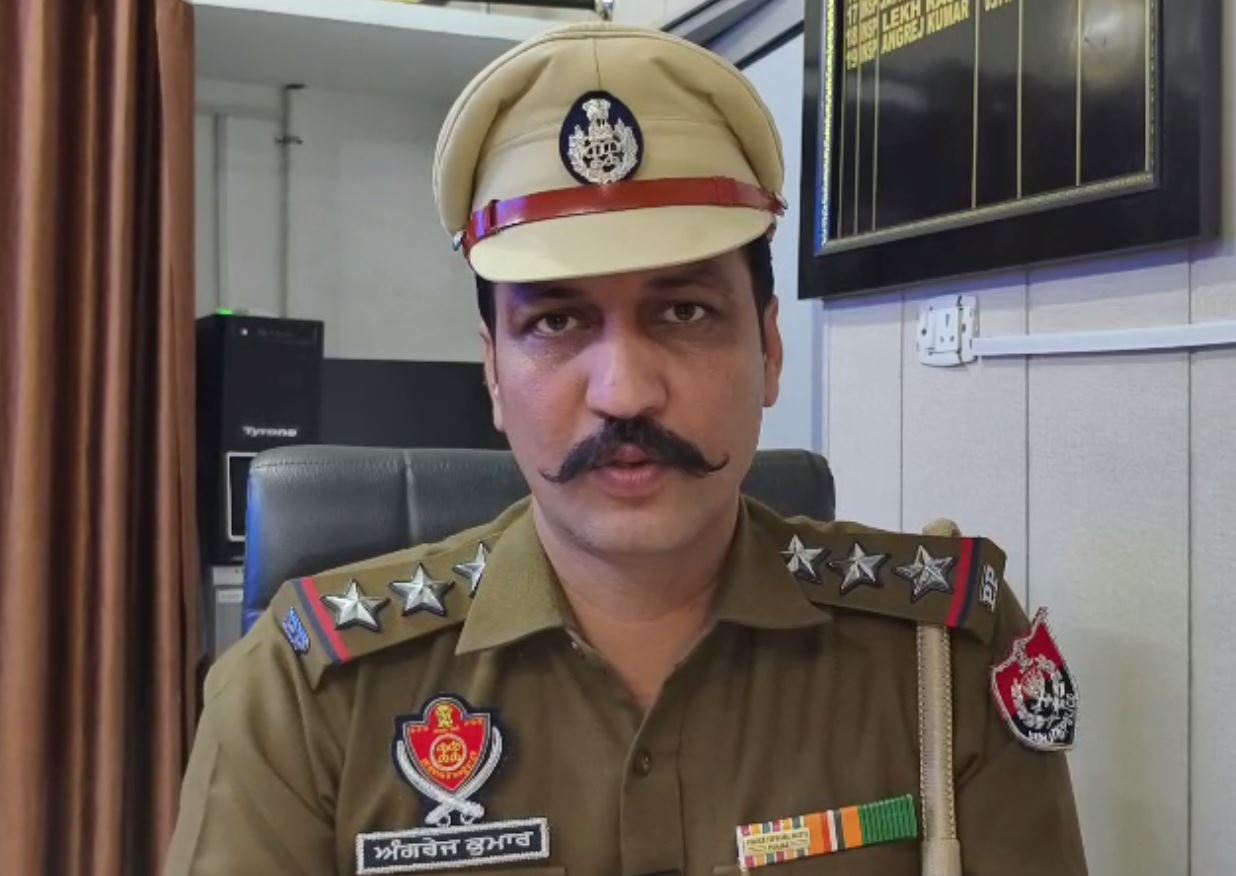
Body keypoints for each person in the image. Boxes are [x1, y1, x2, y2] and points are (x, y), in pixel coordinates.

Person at [164, 22, 1086, 876]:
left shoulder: (940, 655)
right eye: (557, 322)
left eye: (684, 311)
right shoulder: (305, 694)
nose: (625, 392)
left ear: (770, 350)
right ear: (493, 373)